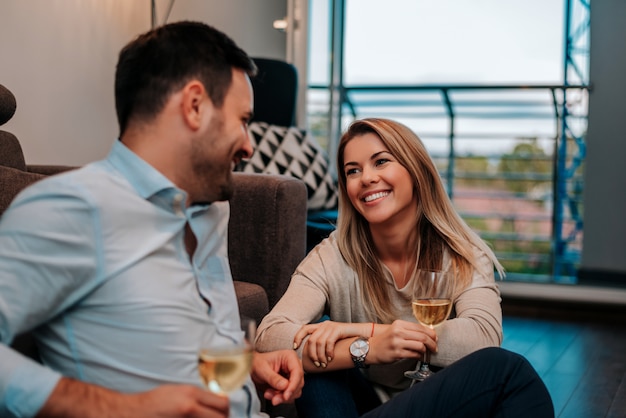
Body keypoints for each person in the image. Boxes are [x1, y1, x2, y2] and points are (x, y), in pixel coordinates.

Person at [0, 21, 303, 418]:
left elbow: (177, 334)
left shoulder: (212, 207)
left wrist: (246, 363)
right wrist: (122, 408)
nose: (248, 145)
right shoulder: (71, 208)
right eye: (243, 121)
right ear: (194, 105)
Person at [255, 118, 553, 417]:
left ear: (416, 171)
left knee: (505, 369)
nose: (367, 178)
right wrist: (367, 349)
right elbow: (270, 336)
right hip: (361, 405)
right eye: (353, 171)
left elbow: (483, 336)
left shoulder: (463, 252)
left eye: (381, 162)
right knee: (319, 358)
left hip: (435, 405)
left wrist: (370, 332)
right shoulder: (332, 255)